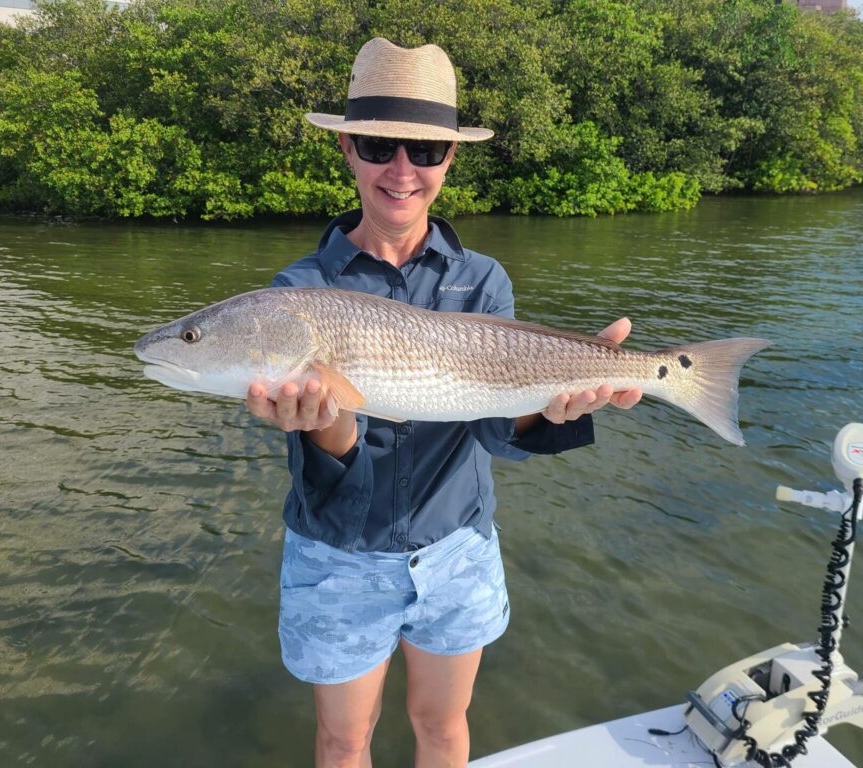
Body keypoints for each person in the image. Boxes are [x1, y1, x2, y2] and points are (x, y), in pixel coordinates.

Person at [245, 38, 642, 768]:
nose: (402, 171)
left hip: (457, 550)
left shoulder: (484, 280)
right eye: (378, 145)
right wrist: (326, 422)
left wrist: (552, 408)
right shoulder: (296, 293)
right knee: (340, 743)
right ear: (347, 150)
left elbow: (496, 428)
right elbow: (333, 458)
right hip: (339, 557)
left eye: (425, 152)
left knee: (444, 726)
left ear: (450, 161)